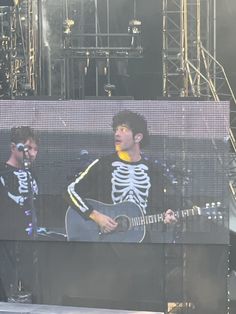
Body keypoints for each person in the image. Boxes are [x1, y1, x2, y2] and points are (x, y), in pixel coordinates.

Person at [65, 110, 177, 242]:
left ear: (138, 137)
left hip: (140, 243)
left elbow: (162, 208)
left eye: (123, 129)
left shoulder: (154, 171)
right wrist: (95, 216)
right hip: (105, 246)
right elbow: (70, 191)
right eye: (116, 130)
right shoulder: (103, 164)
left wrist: (168, 217)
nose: (117, 134)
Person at [0, 126, 39, 240]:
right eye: (28, 148)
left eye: (35, 149)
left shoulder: (32, 173)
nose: (32, 153)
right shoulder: (3, 172)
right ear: (13, 147)